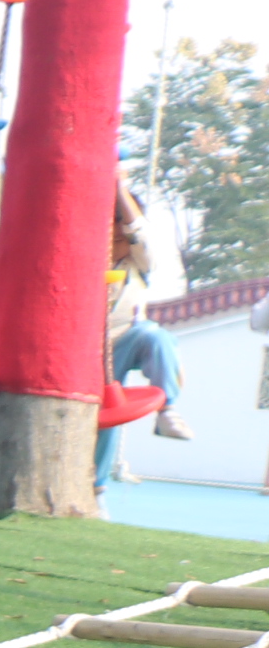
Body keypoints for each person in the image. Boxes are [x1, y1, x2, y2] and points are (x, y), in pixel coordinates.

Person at [102, 180, 193, 484]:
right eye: (112, 223)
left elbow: (138, 230)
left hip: (126, 338)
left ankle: (167, 408)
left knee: (156, 336)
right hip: (89, 349)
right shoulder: (87, 255)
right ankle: (97, 486)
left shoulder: (139, 261)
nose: (119, 232)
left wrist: (119, 187)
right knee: (106, 410)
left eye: (123, 226)